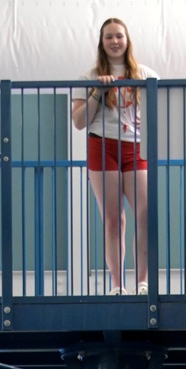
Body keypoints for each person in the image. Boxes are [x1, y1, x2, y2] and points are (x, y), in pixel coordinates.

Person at [71, 18, 157, 296]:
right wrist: (99, 91)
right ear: (102, 42)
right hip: (102, 146)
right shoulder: (88, 77)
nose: (115, 41)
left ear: (127, 39)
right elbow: (80, 122)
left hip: (137, 147)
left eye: (119, 36)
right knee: (113, 219)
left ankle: (143, 282)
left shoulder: (145, 74)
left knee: (144, 215)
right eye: (109, 37)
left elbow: (163, 111)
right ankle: (117, 285)